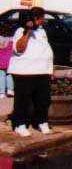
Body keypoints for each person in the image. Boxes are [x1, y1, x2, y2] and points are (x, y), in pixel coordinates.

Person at [8, 7, 54, 137]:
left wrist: (50, 68)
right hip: (25, 72)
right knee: (22, 100)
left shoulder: (42, 31)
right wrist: (27, 32)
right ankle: (20, 124)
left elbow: (45, 49)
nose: (43, 20)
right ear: (34, 18)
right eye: (41, 18)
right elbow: (19, 49)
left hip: (42, 71)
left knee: (43, 99)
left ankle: (42, 121)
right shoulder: (20, 31)